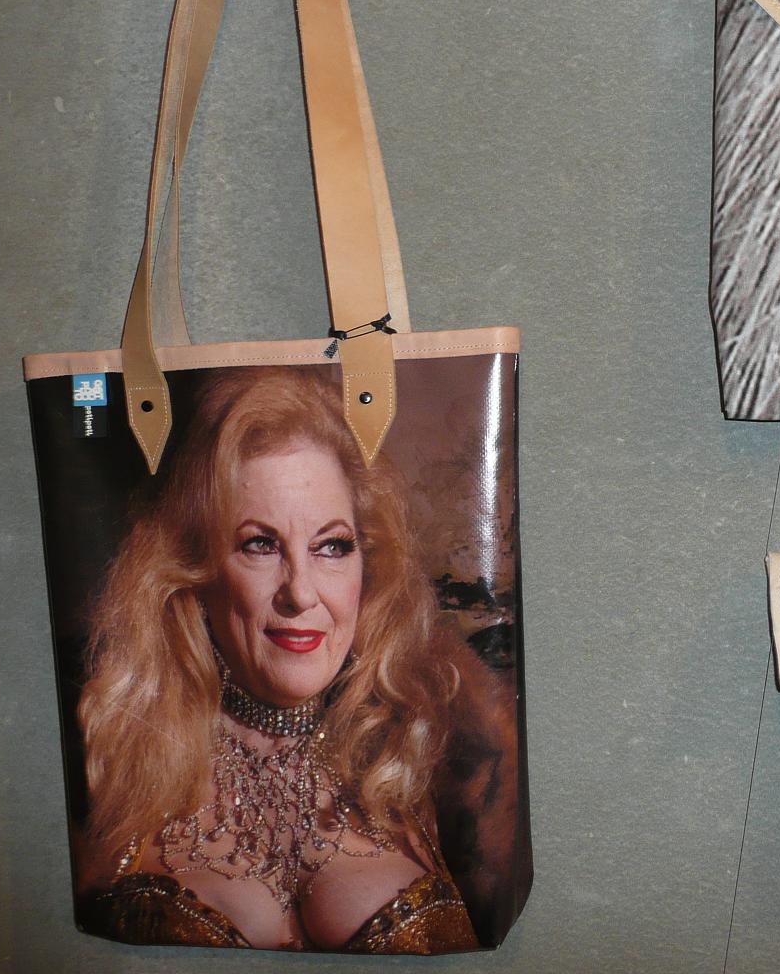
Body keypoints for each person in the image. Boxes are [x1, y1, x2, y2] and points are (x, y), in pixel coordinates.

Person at [75, 367, 481, 952]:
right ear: (196, 570)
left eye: (331, 546)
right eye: (260, 545)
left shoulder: (422, 753)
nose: (301, 593)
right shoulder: (119, 763)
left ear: (369, 566)